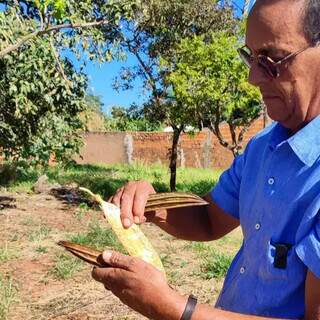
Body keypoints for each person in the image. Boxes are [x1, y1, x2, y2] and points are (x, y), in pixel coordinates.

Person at [92, 0, 320, 319]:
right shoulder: (261, 148)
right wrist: (154, 204)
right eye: (251, 58)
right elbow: (209, 220)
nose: (253, 77)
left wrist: (175, 309)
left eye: (271, 60)